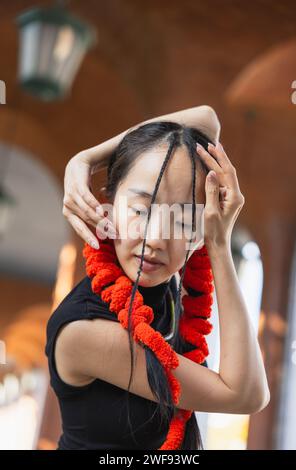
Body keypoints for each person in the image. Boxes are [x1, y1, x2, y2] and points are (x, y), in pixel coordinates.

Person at [45, 106, 270, 450]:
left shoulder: (165, 291)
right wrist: (219, 244)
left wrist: (86, 158)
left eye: (182, 221)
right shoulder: (85, 331)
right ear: (107, 202)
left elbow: (206, 118)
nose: (155, 238)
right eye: (140, 211)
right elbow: (245, 394)